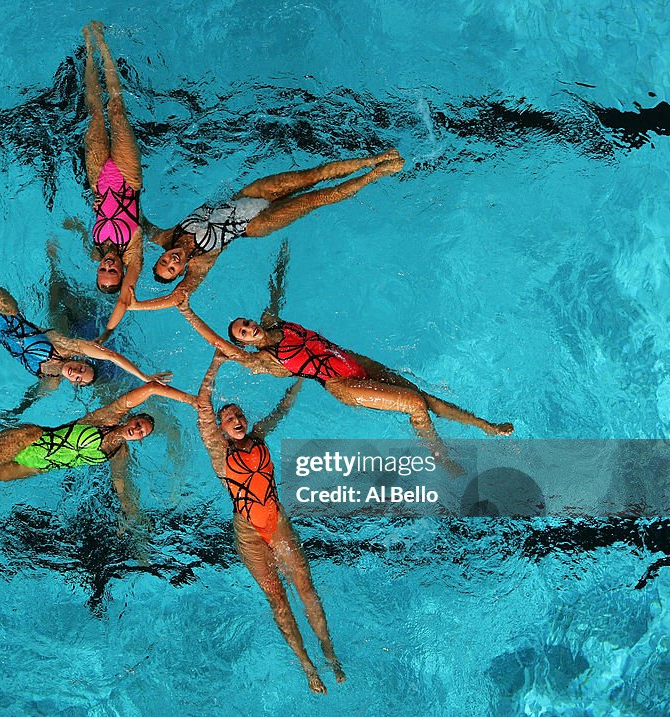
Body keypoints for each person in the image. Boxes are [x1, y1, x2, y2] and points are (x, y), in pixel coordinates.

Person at [176, 290, 512, 475]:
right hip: (340, 382)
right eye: (244, 332)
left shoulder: (273, 322)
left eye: (247, 323)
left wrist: (280, 263)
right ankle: (442, 458)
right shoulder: (263, 359)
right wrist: (188, 312)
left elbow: (275, 295)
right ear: (244, 343)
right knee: (415, 405)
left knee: (426, 398)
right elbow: (219, 344)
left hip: (351, 358)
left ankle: (486, 426)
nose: (250, 327)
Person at [0, 174, 169, 389]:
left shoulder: (50, 380)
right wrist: (144, 377)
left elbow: (35, 398)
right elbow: (110, 356)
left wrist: (16, 413)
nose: (76, 372)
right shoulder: (65, 347)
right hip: (5, 310)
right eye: (83, 369)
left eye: (78, 378)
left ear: (73, 383)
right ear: (82, 361)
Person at [190, 350, 344, 694]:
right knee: (278, 600)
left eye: (238, 414)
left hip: (277, 522)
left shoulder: (258, 435)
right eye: (229, 418)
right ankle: (306, 665)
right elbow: (202, 406)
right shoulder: (219, 451)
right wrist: (215, 362)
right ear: (221, 428)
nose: (236, 419)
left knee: (305, 587)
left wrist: (300, 378)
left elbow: (281, 410)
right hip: (248, 534)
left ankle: (328, 652)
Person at [0, 381, 195, 539]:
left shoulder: (118, 453)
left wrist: (130, 515)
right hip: (27, 439)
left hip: (31, 466)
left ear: (139, 439)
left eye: (142, 433)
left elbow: (122, 486)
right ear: (131, 419)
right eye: (139, 423)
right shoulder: (103, 420)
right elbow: (147, 390)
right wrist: (189, 399)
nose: (137, 430)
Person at [126, 149, 404, 311]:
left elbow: (139, 220)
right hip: (256, 223)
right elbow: (178, 296)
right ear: (180, 271)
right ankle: (374, 175)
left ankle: (373, 159)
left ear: (161, 255)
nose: (172, 261)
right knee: (316, 198)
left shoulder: (165, 237)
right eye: (173, 269)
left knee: (312, 175)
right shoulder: (199, 264)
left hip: (246, 196)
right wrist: (137, 305)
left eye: (164, 261)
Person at [81, 21, 144, 332]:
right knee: (116, 110)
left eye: (103, 271)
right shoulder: (132, 249)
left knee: (94, 113)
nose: (108, 266)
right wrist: (106, 333)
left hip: (98, 180)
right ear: (121, 273)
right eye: (113, 272)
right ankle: (104, 46)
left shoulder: (94, 247)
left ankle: (89, 51)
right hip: (127, 178)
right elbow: (126, 295)